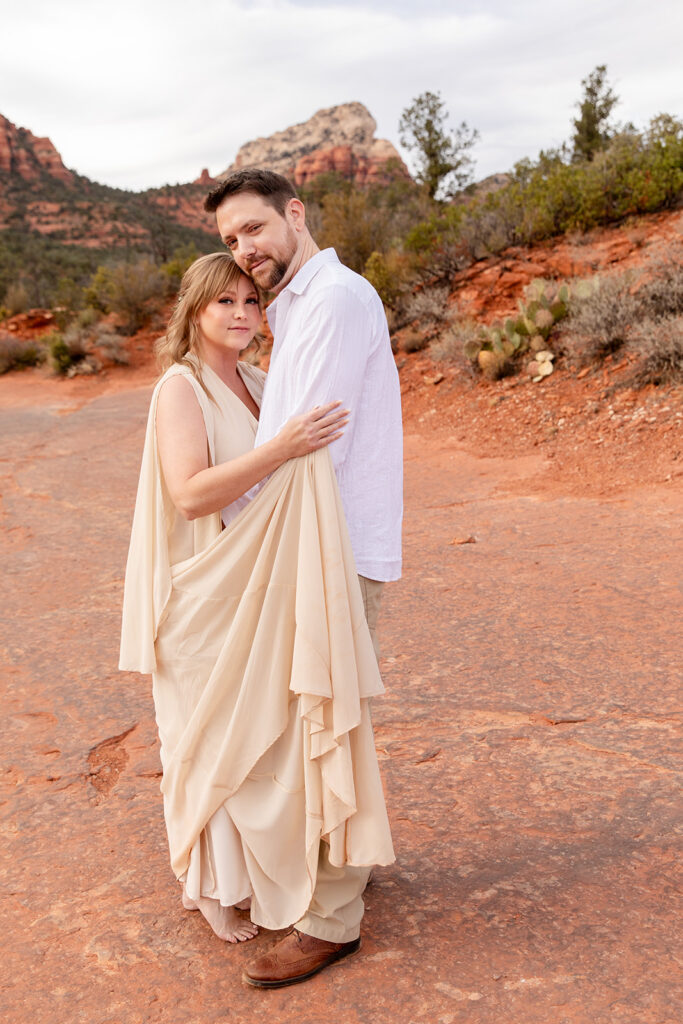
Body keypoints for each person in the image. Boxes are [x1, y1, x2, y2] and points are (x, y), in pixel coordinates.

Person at [119, 251, 395, 972]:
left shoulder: (257, 381)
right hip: (204, 590)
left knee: (260, 741)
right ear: (194, 311)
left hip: (254, 586)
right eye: (224, 303)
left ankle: (266, 871)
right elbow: (190, 494)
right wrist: (281, 449)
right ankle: (208, 886)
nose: (242, 313)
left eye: (251, 300)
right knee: (206, 738)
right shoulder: (180, 388)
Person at [203, 168, 403, 987]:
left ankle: (331, 919)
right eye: (229, 242)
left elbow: (303, 439)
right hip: (312, 541)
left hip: (328, 543)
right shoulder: (299, 309)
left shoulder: (330, 301)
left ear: (295, 213)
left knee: (323, 721)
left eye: (254, 229)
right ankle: (337, 871)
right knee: (311, 719)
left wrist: (225, 522)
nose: (245, 251)